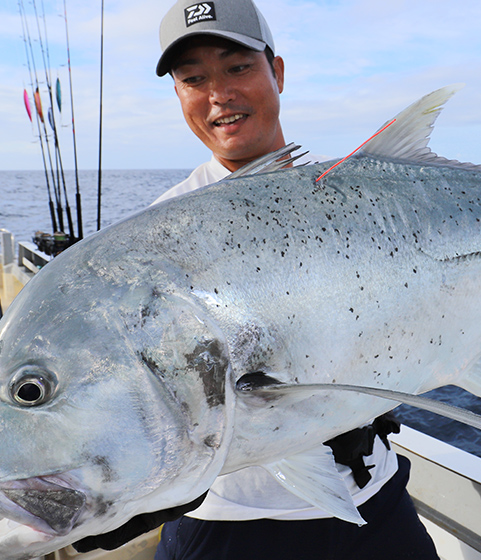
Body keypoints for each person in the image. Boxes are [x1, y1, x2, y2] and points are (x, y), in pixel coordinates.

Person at [148, 1, 440, 559]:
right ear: (179, 96)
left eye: (237, 67)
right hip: (226, 526)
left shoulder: (360, 191)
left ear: (276, 72)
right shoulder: (158, 236)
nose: (219, 94)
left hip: (373, 501)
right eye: (194, 79)